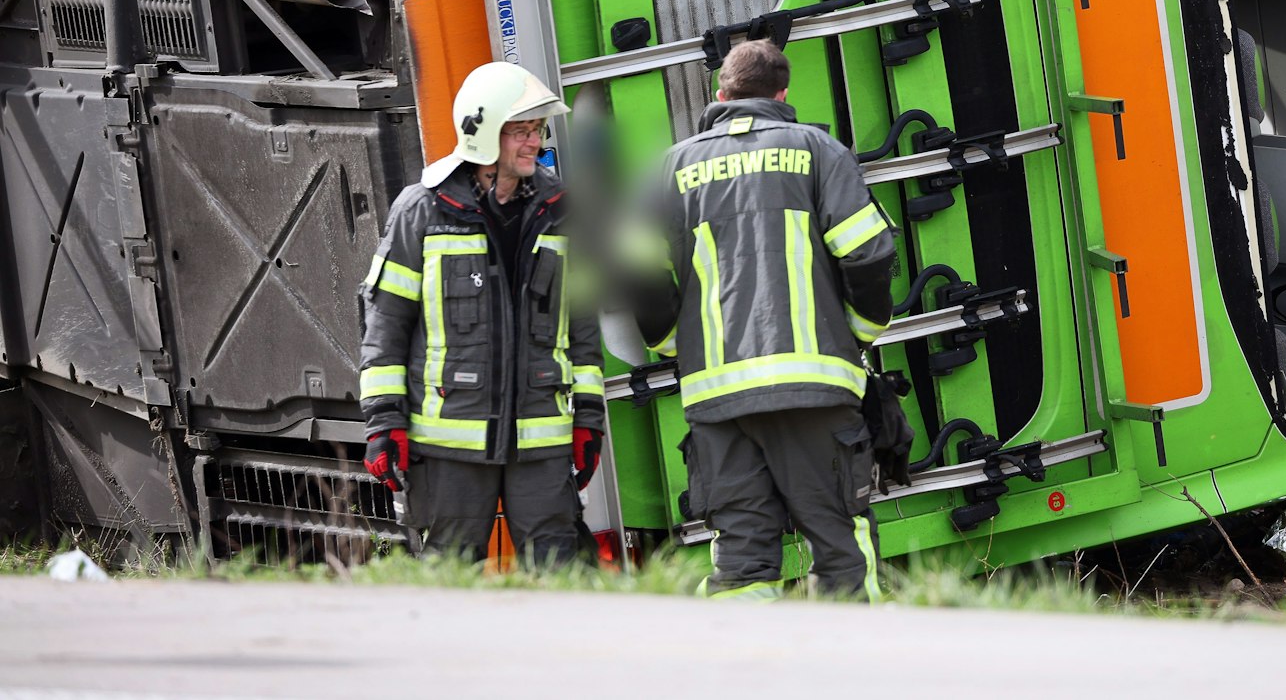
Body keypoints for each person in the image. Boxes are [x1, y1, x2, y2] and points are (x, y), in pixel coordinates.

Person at [630, 39, 897, 600]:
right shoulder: (818, 151)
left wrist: (676, 346)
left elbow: (636, 273)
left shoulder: (669, 167)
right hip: (815, 389)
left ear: (720, 93)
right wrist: (859, 334)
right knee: (840, 545)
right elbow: (868, 253)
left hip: (717, 398)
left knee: (741, 558)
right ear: (782, 95)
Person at [357, 62, 606, 565]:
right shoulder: (423, 211)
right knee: (450, 583)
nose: (534, 142)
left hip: (542, 440)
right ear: (483, 133)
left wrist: (588, 419)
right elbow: (385, 326)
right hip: (449, 445)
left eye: (537, 130)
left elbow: (581, 329)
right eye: (521, 131)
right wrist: (384, 423)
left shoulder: (563, 211)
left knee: (564, 580)